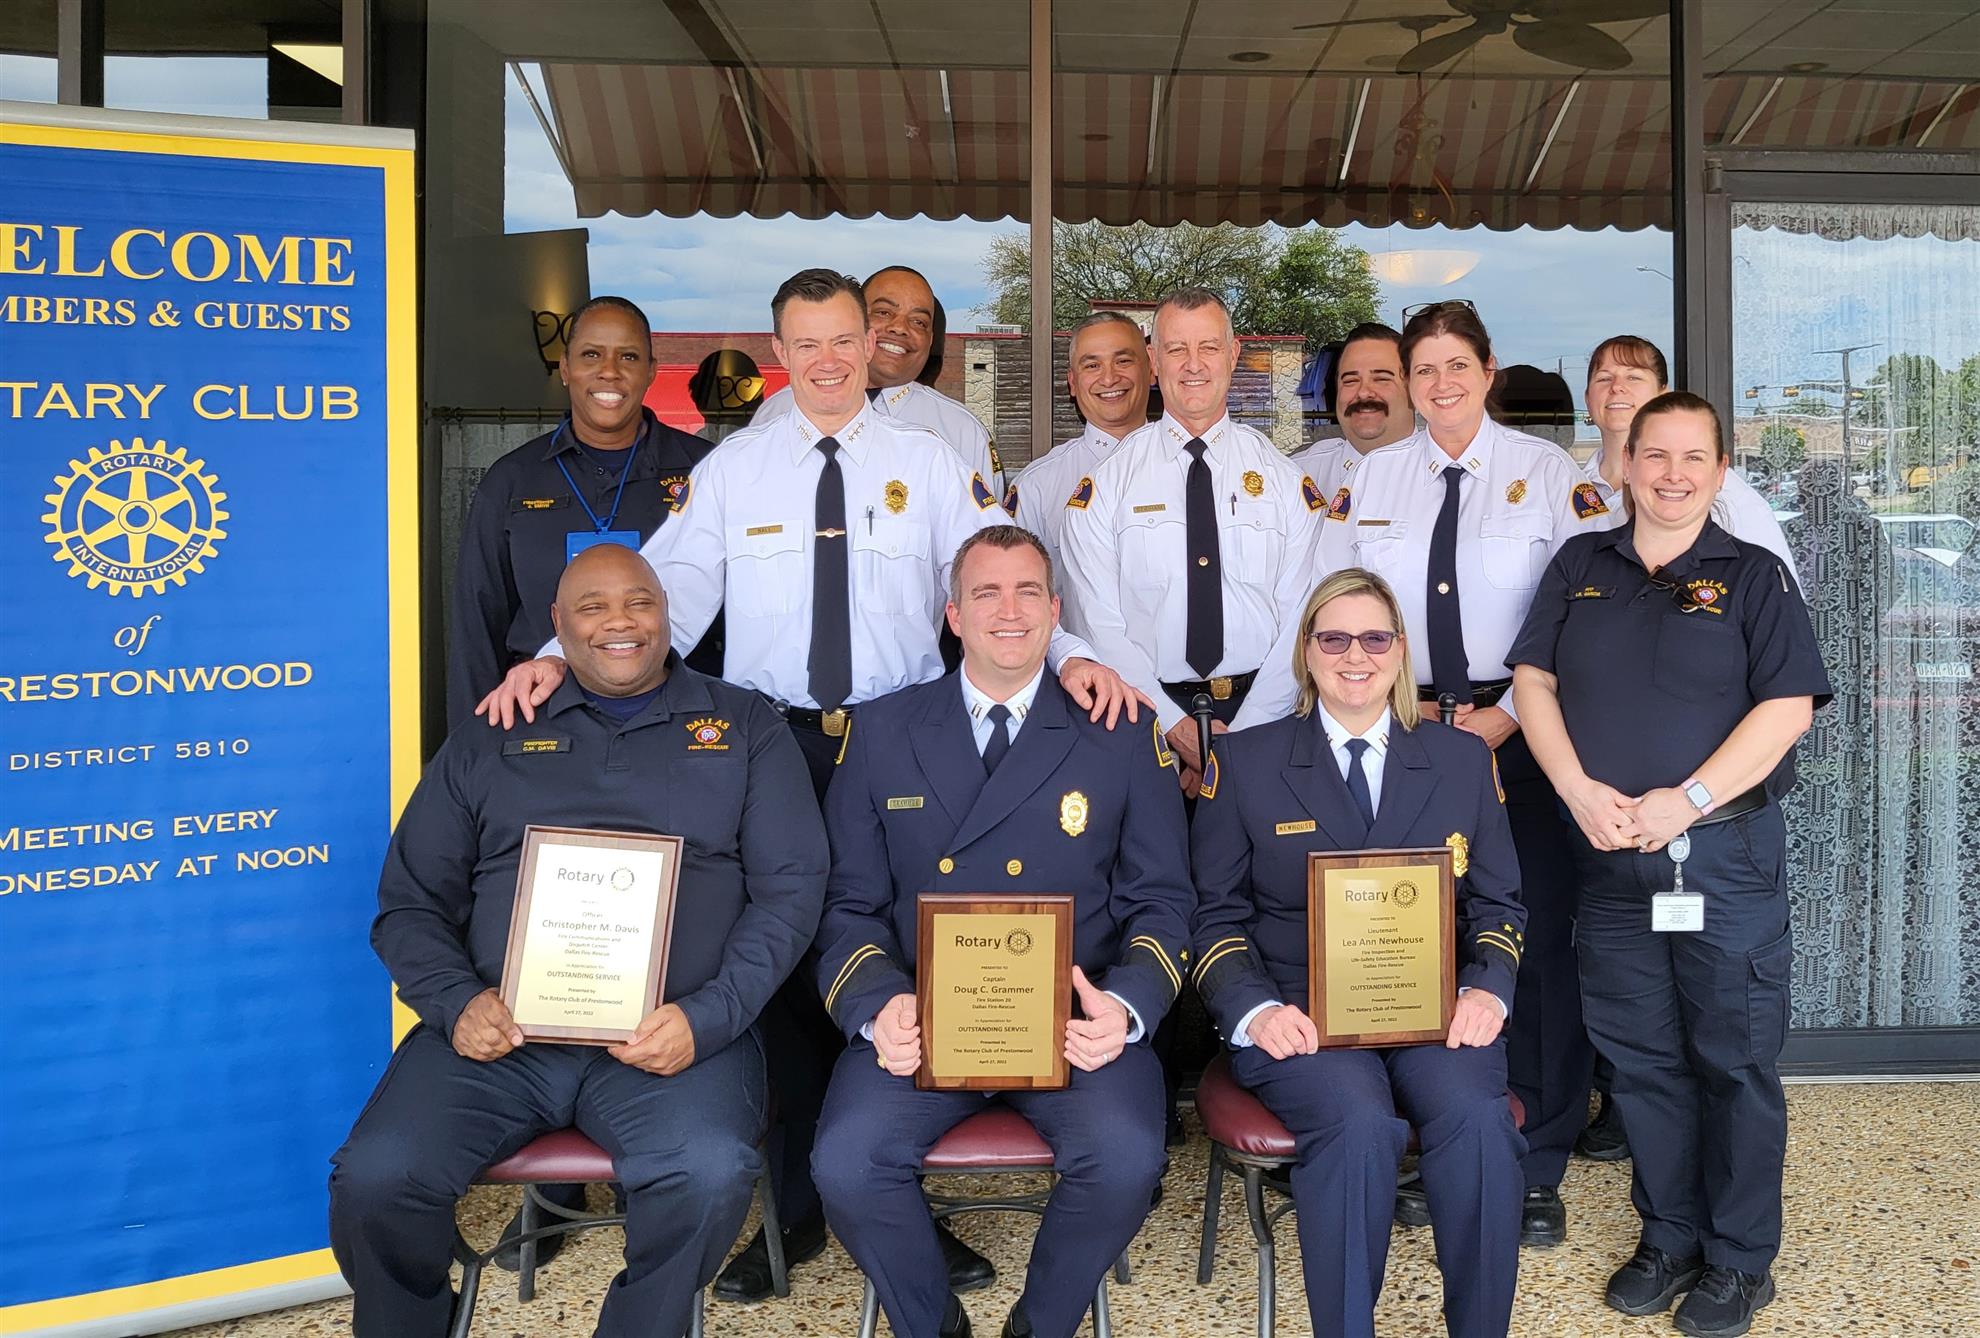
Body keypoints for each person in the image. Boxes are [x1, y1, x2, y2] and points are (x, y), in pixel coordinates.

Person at [474, 268, 1141, 1302]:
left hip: (900, 741)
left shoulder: (927, 464)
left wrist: (1075, 656)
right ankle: (792, 1208)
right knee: (784, 969)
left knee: (903, 950)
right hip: (774, 742)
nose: (829, 361)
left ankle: (898, 1195)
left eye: (845, 339)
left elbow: (998, 583)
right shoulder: (736, 469)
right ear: (781, 352)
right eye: (808, 343)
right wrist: (557, 661)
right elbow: (667, 591)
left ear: (871, 346)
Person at [329, 544, 827, 1338]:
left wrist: (707, 1017)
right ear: (558, 626)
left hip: (674, 1041)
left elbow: (791, 893)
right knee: (376, 1177)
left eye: (639, 602)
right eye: (593, 607)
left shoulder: (743, 727)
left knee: (707, 1173)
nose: (619, 622)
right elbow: (409, 903)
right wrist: (457, 1003)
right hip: (500, 1043)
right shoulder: (494, 732)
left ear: (667, 614)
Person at [1238, 300, 1590, 1248]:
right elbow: (1318, 612)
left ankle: (1532, 1161)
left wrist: (1506, 719)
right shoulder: (1373, 477)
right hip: (1397, 725)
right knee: (1382, 926)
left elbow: (1572, 617)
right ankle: (1404, 1143)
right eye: (1422, 369)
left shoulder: (1546, 473)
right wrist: (1252, 738)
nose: (1440, 385)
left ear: (1488, 370)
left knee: (1524, 943)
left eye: (1455, 366)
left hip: (1520, 726)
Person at [811, 525, 1192, 1338]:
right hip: (925, 1021)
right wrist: (878, 1007)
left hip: (1071, 1023)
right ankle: (932, 1324)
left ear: (1055, 611)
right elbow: (847, 905)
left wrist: (1124, 1008)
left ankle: (1040, 1325)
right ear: (953, 614)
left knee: (1126, 1158)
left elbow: (1162, 900)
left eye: (1027, 592)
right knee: (845, 1164)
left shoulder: (1121, 732)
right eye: (986, 592)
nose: (1008, 611)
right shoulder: (882, 732)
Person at [1509, 391, 1829, 1337]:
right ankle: (1670, 1237)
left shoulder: (1755, 575)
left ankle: (1739, 1261)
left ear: (1721, 471)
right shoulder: (1580, 564)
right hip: (1610, 865)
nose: (1673, 475)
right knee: (1642, 1061)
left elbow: (1788, 709)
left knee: (1733, 1060)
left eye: (1694, 458)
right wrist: (1575, 788)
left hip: (1720, 858)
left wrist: (1686, 798)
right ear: (1626, 464)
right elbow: (1533, 680)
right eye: (1655, 455)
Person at [1191, 567, 1527, 1338]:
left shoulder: (1460, 759)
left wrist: (1488, 988)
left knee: (1479, 1122)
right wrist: (1254, 1010)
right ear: (1307, 652)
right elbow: (1212, 915)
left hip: (1434, 1009)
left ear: (1400, 651)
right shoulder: (1246, 764)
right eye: (1334, 638)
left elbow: (1499, 904)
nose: (1355, 656)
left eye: (1375, 638)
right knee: (1358, 1125)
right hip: (1299, 1016)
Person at [1060, 287, 1325, 795]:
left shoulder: (1284, 482)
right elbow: (1097, 623)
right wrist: (1174, 728)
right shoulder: (1107, 486)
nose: (1194, 364)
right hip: (1142, 722)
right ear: (1155, 360)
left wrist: (1241, 740)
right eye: (1177, 349)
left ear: (1233, 354)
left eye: (1208, 347)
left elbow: (1303, 620)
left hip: (1265, 724)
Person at [447, 296, 716, 727]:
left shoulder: (706, 471)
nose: (610, 370)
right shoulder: (513, 480)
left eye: (628, 356)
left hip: (682, 720)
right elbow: (477, 622)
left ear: (652, 371)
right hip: (542, 716)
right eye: (591, 354)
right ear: (565, 368)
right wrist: (473, 741)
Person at [756, 264, 1003, 492]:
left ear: (930, 340)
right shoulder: (778, 410)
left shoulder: (960, 431)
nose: (900, 328)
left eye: (919, 322)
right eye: (884, 312)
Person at [1580, 336, 1797, 577]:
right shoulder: (1569, 484)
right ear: (1587, 398)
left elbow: (1768, 585)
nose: (1617, 387)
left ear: (1663, 394)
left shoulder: (1721, 493)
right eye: (1604, 378)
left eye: (1633, 377)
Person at [1007, 311, 1153, 578]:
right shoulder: (1035, 487)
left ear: (1151, 369)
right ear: (1072, 383)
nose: (1109, 378)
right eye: (1092, 366)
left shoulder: (1190, 469)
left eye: (1123, 361)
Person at [1290, 322, 1415, 498]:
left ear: (1414, 391)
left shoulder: (1449, 478)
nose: (1363, 393)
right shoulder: (1296, 476)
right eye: (1350, 381)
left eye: (1381, 379)